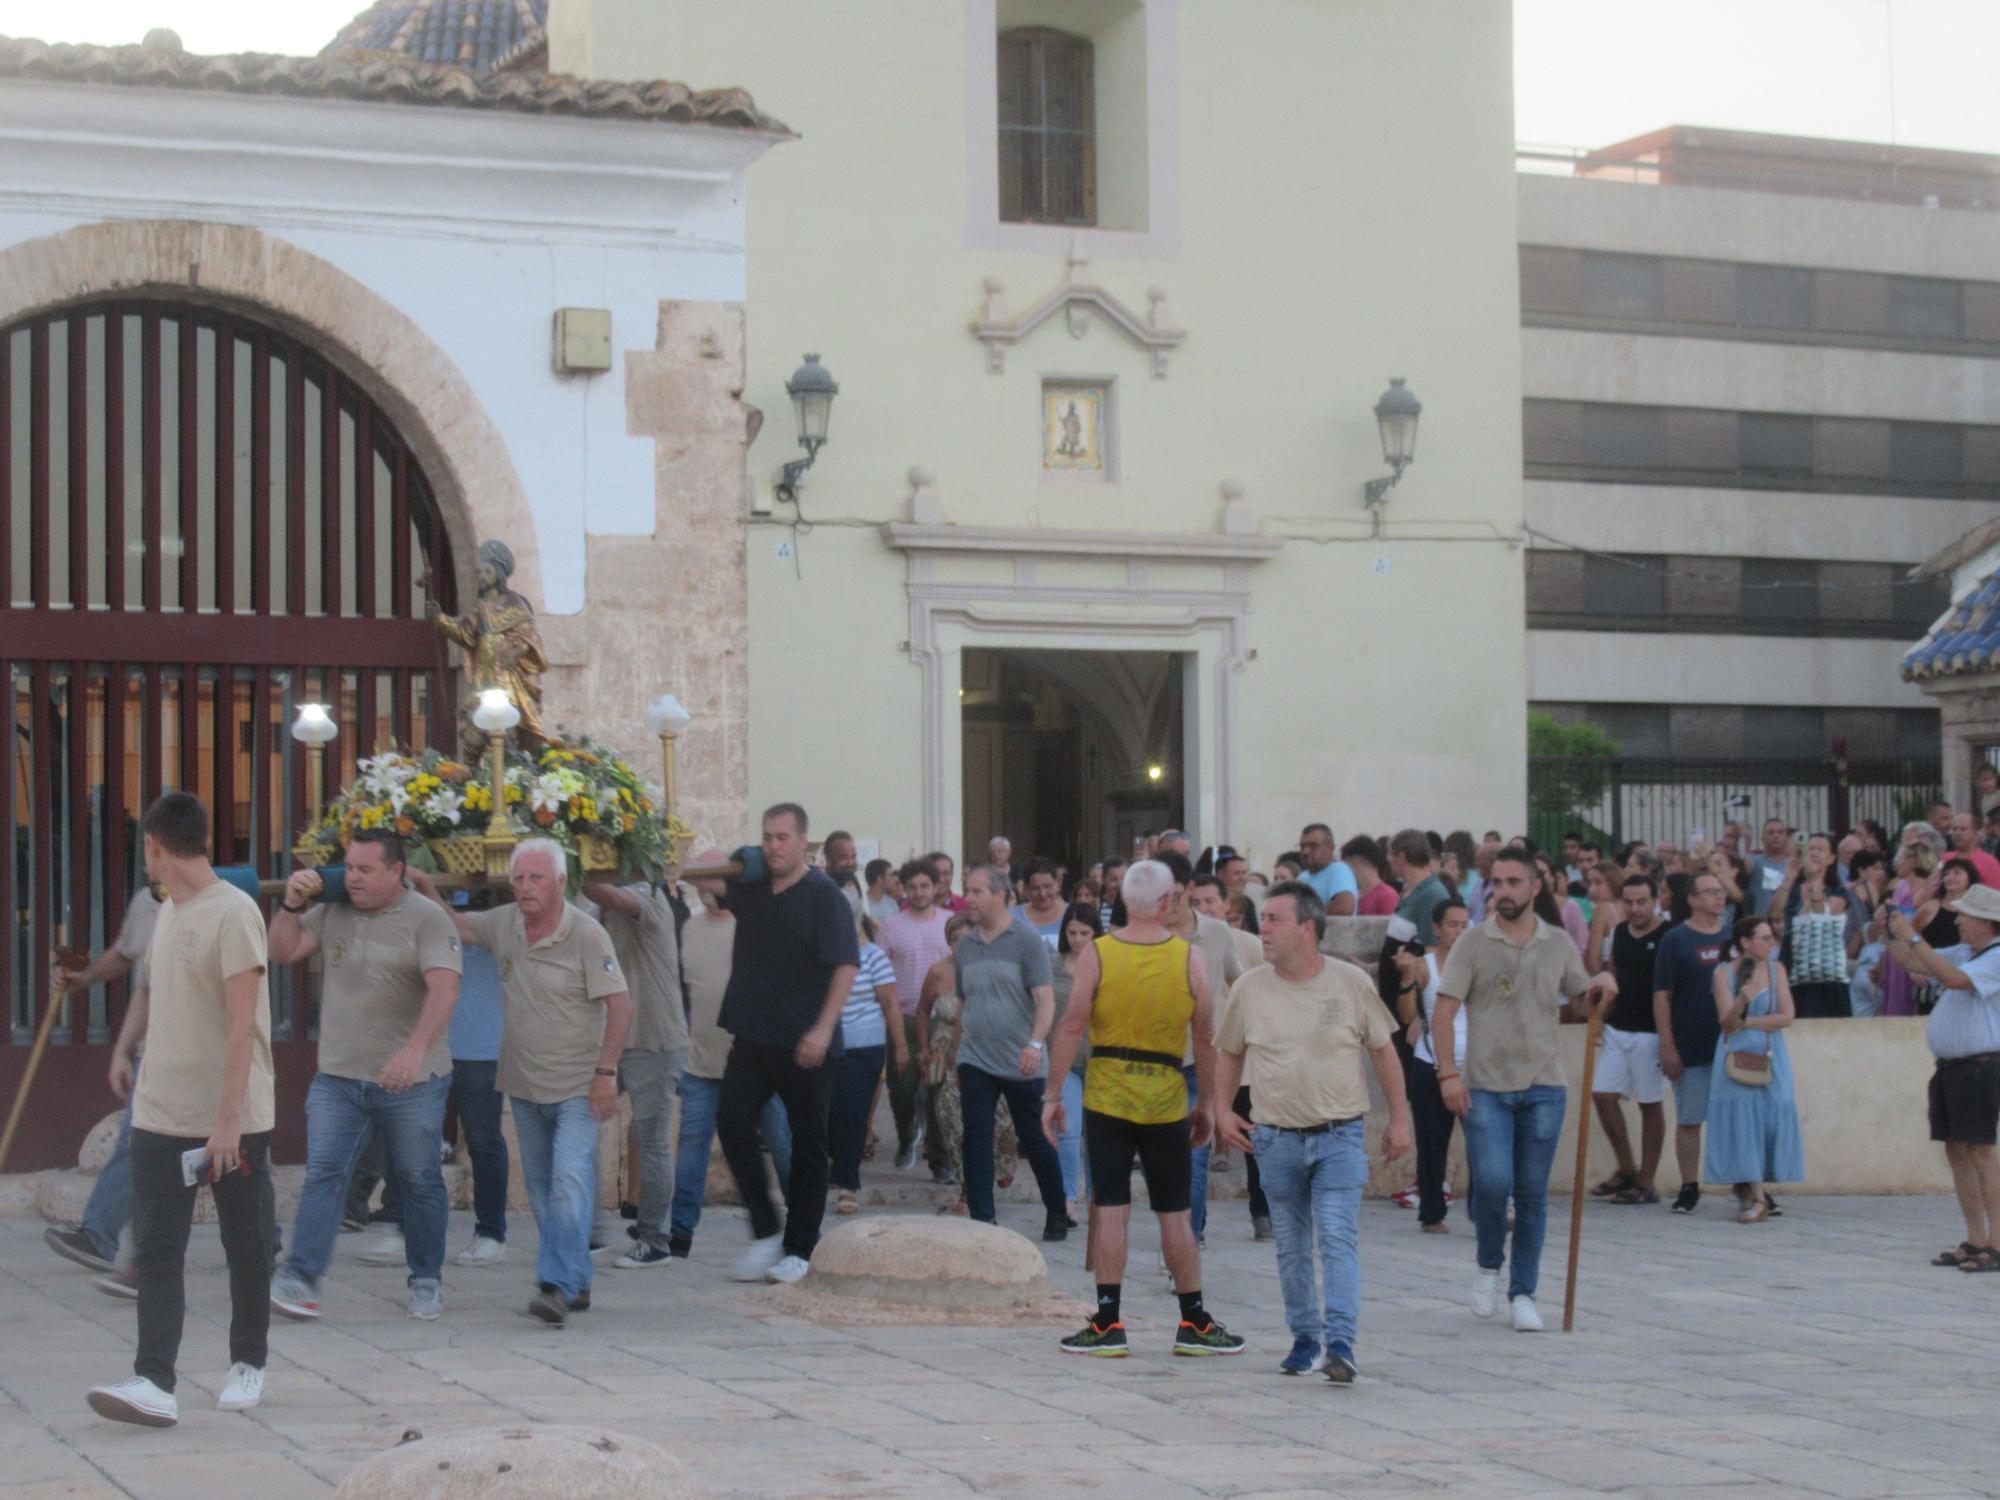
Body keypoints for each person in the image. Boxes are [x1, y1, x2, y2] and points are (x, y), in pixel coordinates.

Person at [86, 794, 276, 1428]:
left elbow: (242, 1024)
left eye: (146, 848)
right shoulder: (166, 911)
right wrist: (127, 1051)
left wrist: (228, 1122)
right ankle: (153, 1381)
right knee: (159, 1247)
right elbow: (152, 994)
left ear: (157, 846)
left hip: (231, 1119)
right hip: (159, 1114)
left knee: (245, 1244)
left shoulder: (235, 914)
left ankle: (248, 1361)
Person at [417, 841, 633, 1326]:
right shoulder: (506, 924)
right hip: (525, 1083)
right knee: (539, 1189)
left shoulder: (587, 935)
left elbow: (621, 1006)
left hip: (580, 1085)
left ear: (560, 882)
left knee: (568, 1182)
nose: (526, 888)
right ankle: (574, 1280)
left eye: (537, 878)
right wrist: (421, 884)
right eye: (519, 879)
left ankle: (554, 1286)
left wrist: (606, 1074)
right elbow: (455, 924)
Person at [1043, 860, 1243, 1359]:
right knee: (1174, 1212)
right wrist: (1211, 1104)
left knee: (1111, 1207)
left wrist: (1051, 1095)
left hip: (1107, 1092)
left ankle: (1108, 1321)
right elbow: (1205, 1035)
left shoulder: (1097, 955)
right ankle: (1194, 1320)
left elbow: (1070, 1026)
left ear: (1126, 902)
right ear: (1166, 903)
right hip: (1166, 1094)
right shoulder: (1189, 960)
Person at [1216, 882, 1408, 1384]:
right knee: (1291, 1242)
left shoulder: (1349, 983)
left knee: (1338, 1234)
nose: (1265, 930)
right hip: (1275, 1136)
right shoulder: (1250, 988)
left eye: (1276, 920)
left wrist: (1400, 1118)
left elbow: (1383, 1050)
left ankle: (1340, 1342)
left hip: (1339, 1132)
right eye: (1264, 920)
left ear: (1308, 927)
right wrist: (1219, 1107)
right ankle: (1304, 1338)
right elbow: (1229, 1051)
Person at [267, 831, 461, 1323]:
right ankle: (301, 1279)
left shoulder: (428, 918)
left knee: (419, 1181)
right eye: (348, 867)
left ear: (396, 872)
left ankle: (426, 1279)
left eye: (365, 869)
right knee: (324, 1176)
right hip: (338, 1077)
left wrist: (414, 1050)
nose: (352, 877)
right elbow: (282, 951)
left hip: (412, 1082)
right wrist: (291, 905)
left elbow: (445, 990)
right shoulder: (333, 910)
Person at [1432, 849, 1616, 1333]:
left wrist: (1601, 986)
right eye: (1497, 882)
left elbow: (1580, 999)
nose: (1503, 891)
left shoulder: (1557, 943)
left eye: (1514, 882)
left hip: (1544, 1085)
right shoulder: (1473, 942)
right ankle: (1489, 1265)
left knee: (1532, 1193)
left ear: (1535, 886)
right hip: (1486, 1087)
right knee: (1493, 1183)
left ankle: (1524, 1293)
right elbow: (1444, 1010)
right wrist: (1447, 1074)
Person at [715, 804, 860, 1285]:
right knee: (732, 1124)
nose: (773, 846)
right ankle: (766, 1229)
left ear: (804, 842)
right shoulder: (752, 886)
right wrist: (738, 857)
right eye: (766, 837)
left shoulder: (825, 896)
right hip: (753, 1033)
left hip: (806, 1041)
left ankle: (801, 1247)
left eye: (781, 838)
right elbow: (706, 879)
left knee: (808, 1147)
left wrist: (822, 1028)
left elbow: (845, 965)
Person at [668, 878, 791, 1259]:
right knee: (692, 1147)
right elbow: (688, 991)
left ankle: (803, 1220)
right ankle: (680, 1231)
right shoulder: (689, 927)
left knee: (782, 1144)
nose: (707, 886)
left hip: (753, 1059)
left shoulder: (749, 923)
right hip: (700, 1061)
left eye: (716, 877)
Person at [44, 885, 162, 1278]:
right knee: (135, 1145)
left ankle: (264, 1241)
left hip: (205, 1054)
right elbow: (131, 958)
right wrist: (87, 978)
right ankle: (100, 1237)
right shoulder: (148, 902)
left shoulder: (217, 901)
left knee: (239, 1154)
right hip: (156, 1055)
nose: (151, 858)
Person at [1884, 885, 2000, 1271]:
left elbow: (1952, 979)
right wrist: (1892, 931)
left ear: (1987, 922)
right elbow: (1914, 964)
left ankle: (1996, 1243)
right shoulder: (1967, 952)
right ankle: (1975, 1238)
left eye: (1966, 915)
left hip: (1980, 1067)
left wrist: (1914, 935)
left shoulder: (1996, 957)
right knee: (1957, 1152)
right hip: (1952, 1068)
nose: (1959, 919)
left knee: (1981, 1153)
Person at [580, 875, 691, 1270]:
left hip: (653, 1039)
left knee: (652, 1140)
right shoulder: (597, 911)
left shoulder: (651, 898)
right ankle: (588, 1232)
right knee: (580, 1127)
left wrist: (577, 858)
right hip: (611, 1041)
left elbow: (605, 890)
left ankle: (654, 1239)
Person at [955, 866, 1069, 1238]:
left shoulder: (1027, 940)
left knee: (1034, 1138)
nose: (968, 899)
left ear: (1001, 895)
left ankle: (1056, 1210)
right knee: (976, 1135)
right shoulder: (966, 946)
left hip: (1022, 1059)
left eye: (976, 891)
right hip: (975, 1058)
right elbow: (963, 1001)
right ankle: (983, 1218)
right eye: (967, 891)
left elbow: (1045, 999)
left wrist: (1035, 1044)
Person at [1161, 852, 1246, 1243]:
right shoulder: (1142, 935)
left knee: (1195, 1156)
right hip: (1154, 1062)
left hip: (1200, 1060)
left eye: (1173, 893)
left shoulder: (1216, 933)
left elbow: (1238, 983)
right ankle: (1175, 1229)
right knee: (1161, 1158)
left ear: (1189, 889)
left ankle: (1186, 1238)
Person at [1705, 916, 1805, 1224]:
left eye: (1771, 937)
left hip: (1771, 1054)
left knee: (1775, 1112)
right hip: (1736, 1057)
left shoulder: (1777, 971)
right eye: (1763, 937)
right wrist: (1741, 1003)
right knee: (1744, 1121)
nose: (1770, 942)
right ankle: (1758, 1197)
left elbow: (1787, 1015)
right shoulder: (1724, 972)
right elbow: (1726, 1021)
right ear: (1745, 942)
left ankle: (1747, 1185)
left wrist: (1749, 1021)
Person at [1588, 873, 1669, 1207]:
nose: (1635, 909)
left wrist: (1668, 1039)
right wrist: (1598, 1019)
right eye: (1629, 902)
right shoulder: (1619, 932)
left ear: (1655, 901)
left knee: (1650, 1104)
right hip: (1618, 1029)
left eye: (1642, 902)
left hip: (1651, 1033)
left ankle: (1647, 1182)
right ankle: (1626, 1169)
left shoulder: (1668, 936)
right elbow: (1612, 978)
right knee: (1602, 1094)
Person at [1653, 869, 1731, 1215]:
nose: (1719, 897)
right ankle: (1688, 1185)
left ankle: (1745, 1182)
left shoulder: (1732, 937)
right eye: (1711, 891)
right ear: (1693, 899)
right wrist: (1667, 1045)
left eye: (1721, 891)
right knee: (1689, 1118)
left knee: (1734, 1117)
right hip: (1691, 1043)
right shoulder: (1676, 940)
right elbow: (1662, 995)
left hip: (1730, 1046)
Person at [445, 893, 510, 1267]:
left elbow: (452, 922)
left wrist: (420, 883)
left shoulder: (499, 902)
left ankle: (490, 1231)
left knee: (483, 1141)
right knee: (409, 1136)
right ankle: (401, 1224)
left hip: (482, 1042)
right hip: (433, 1038)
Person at [879, 858, 954, 1177]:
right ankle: (908, 1136)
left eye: (925, 885)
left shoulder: (951, 922)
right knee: (903, 1088)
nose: (919, 892)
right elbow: (880, 975)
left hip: (944, 1019)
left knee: (940, 1090)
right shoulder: (892, 927)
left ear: (936, 886)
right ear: (904, 889)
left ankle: (940, 1159)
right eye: (912, 887)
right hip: (904, 1019)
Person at [828, 915, 907, 1216]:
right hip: (826, 1043)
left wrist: (900, 1046)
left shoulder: (873, 955)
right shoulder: (821, 950)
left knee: (852, 1112)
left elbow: (889, 1001)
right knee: (830, 1111)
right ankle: (837, 1168)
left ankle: (849, 1184)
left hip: (864, 1044)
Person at [1400, 898, 1469, 1233]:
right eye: (1452, 924)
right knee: (1432, 1143)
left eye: (1464, 925)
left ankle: (1487, 1207)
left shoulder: (1476, 962)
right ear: (1438, 928)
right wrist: (1406, 978)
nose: (1458, 931)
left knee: (1484, 1142)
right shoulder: (1425, 966)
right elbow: (1407, 1014)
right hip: (1431, 1060)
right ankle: (1431, 1212)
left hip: (1473, 1062)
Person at [1050, 902, 1100, 1212]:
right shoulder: (1050, 965)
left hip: (1099, 1058)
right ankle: (1067, 1197)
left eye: (1085, 933)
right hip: (1062, 1057)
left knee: (1096, 1134)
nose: (1078, 939)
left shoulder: (1108, 965)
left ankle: (1098, 1196)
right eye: (1072, 933)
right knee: (1067, 1130)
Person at [1768, 834, 1852, 1020]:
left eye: (1820, 849)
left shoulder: (1838, 891)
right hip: (1792, 960)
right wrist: (1789, 879)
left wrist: (1814, 881)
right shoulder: (1794, 888)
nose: (1813, 853)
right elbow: (1774, 913)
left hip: (1825, 967)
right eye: (1811, 848)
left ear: (1831, 859)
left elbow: (1821, 914)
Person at [1390, 829, 1453, 945]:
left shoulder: (1433, 894)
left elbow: (1434, 948)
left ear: (1401, 857)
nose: (1389, 860)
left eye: (1391, 855)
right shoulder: (1408, 889)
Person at [1297, 824, 1358, 916]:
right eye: (1302, 846)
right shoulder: (1302, 878)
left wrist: (1306, 914)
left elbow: (1344, 908)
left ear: (1330, 847)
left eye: (1313, 846)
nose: (1305, 851)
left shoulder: (1339, 870)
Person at [1745, 818, 1794, 918]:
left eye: (1780, 832)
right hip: (1761, 924)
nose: (1776, 836)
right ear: (1762, 838)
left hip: (1785, 924)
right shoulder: (1754, 861)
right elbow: (1745, 868)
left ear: (1786, 838)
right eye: (1770, 832)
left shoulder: (1793, 865)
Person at [1581, 864, 1624, 978]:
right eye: (1589, 883)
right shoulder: (1629, 908)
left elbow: (1592, 965)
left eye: (1598, 883)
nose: (1591, 889)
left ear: (1614, 882)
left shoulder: (1603, 909)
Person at [1340, 836, 1399, 916]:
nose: (1343, 871)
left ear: (1356, 862)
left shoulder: (1387, 897)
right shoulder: (1351, 896)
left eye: (1345, 865)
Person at [1018, 858, 1067, 950]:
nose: (1042, 894)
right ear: (1026, 889)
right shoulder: (1011, 916)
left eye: (1047, 886)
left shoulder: (1073, 913)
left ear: (1057, 884)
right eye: (1036, 888)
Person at [1948, 812, 2000, 889]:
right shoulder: (1946, 858)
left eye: (1963, 829)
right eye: (1954, 829)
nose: (1957, 833)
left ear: (1975, 833)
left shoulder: (1990, 863)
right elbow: (1933, 886)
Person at [820, 830, 863, 918]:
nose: (851, 862)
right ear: (828, 858)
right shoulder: (821, 889)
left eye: (853, 856)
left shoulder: (854, 882)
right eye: (843, 857)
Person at [863, 858, 901, 928]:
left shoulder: (892, 903)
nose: (894, 879)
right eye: (890, 875)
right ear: (880, 879)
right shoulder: (862, 905)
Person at [1097, 857, 1129, 931]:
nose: (1120, 884)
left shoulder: (1134, 908)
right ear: (1103, 880)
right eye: (1114, 879)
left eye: (1124, 878)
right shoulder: (1097, 905)